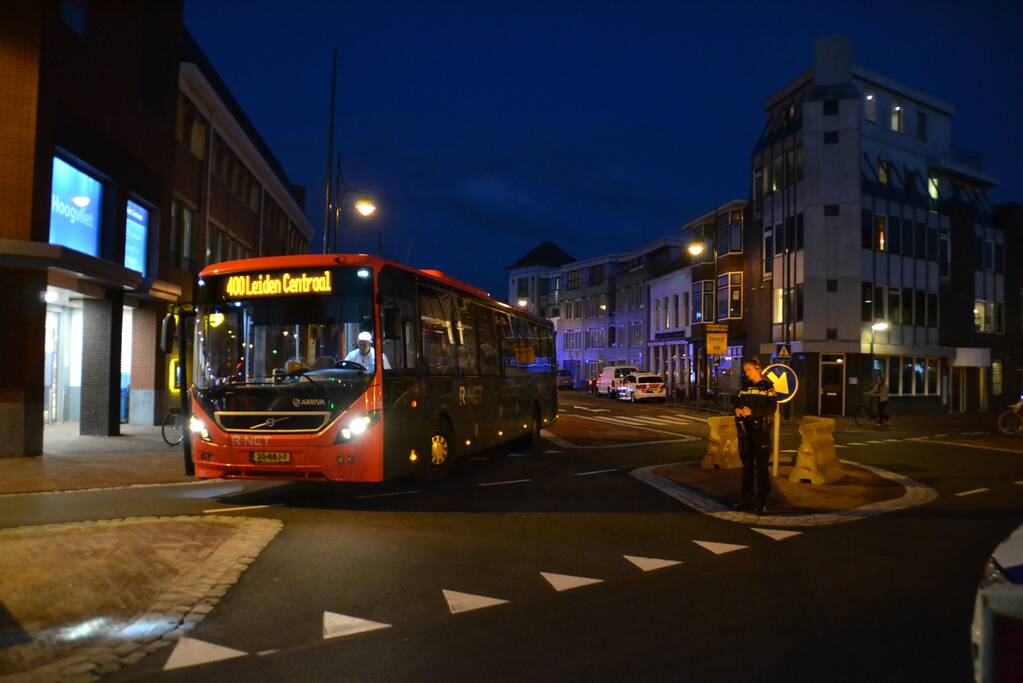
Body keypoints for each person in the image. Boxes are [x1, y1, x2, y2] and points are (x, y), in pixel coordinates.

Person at [733, 357, 777, 516]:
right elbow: (736, 402)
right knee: (747, 466)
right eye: (745, 371)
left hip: (761, 431)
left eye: (749, 370)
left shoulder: (767, 387)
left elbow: (772, 407)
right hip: (745, 431)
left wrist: (754, 413)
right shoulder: (745, 386)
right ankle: (745, 498)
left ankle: (762, 500)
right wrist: (737, 410)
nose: (747, 373)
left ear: (757, 368)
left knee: (762, 466)